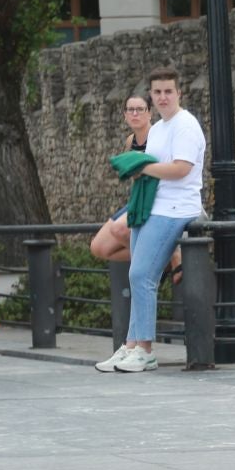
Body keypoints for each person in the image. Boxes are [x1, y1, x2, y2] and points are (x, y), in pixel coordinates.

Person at [96, 68, 204, 373]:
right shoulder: (157, 129)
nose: (163, 97)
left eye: (168, 91)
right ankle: (131, 346)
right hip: (151, 207)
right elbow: (157, 166)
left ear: (179, 93)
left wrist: (141, 167)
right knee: (137, 275)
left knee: (142, 274)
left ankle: (144, 349)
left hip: (175, 208)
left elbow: (182, 169)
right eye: (157, 92)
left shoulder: (186, 125)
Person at [89, 94, 153, 264]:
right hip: (137, 198)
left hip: (156, 198)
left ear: (150, 113)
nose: (135, 114)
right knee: (99, 247)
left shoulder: (158, 136)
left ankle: (160, 258)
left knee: (119, 230)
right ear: (124, 115)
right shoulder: (130, 141)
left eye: (140, 109)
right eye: (130, 110)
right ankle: (156, 257)